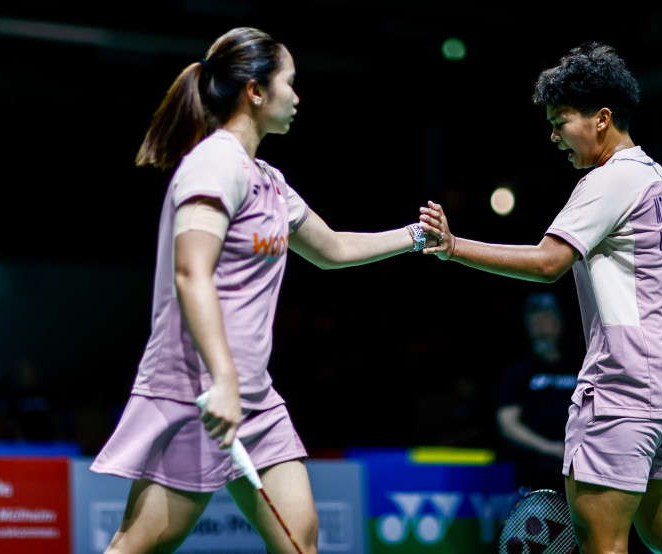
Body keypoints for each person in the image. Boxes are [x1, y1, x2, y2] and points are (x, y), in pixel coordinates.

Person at [90, 27, 435, 554]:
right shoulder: (214, 163)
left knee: (301, 540)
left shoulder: (268, 179)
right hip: (197, 392)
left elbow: (333, 248)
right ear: (255, 91)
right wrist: (223, 380)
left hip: (254, 397)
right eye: (289, 83)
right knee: (140, 545)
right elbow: (190, 272)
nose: (297, 97)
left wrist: (416, 238)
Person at [419, 42, 662, 553]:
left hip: (627, 393)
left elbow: (547, 262)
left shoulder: (610, 181)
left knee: (604, 545)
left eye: (561, 121)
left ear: (602, 119)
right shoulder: (658, 178)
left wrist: (453, 248)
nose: (553, 135)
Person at [496, 291, 578, 494]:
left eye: (546, 318)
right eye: (535, 319)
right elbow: (508, 423)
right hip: (537, 476)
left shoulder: (581, 368)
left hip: (581, 470)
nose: (540, 325)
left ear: (560, 323)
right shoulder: (519, 372)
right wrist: (549, 448)